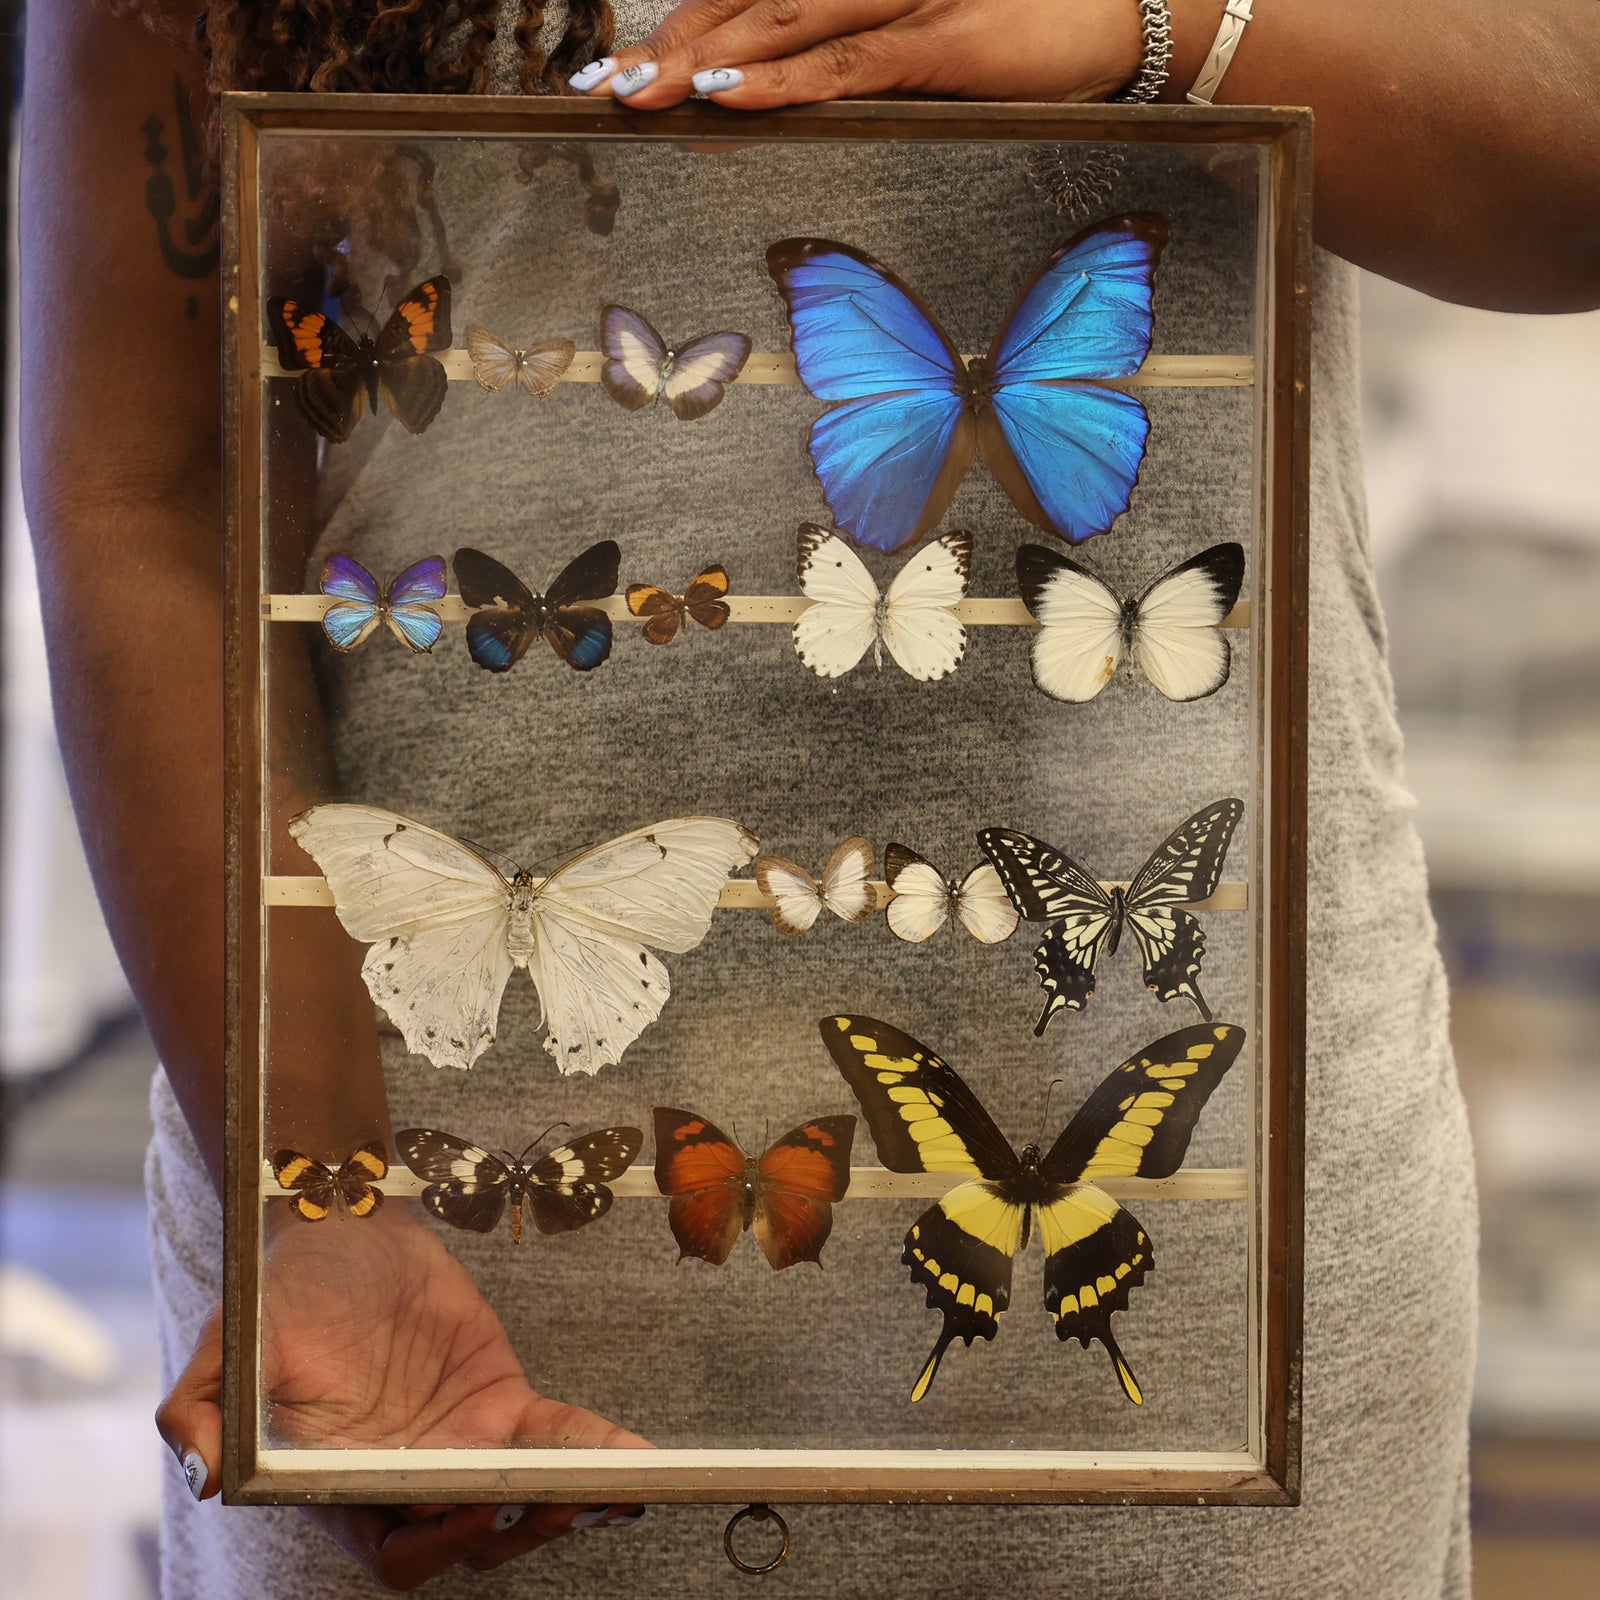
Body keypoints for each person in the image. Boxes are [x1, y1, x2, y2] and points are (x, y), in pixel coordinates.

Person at [19, 1, 1599, 1595]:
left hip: (1203, 1255)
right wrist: (316, 1201)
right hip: (430, 1311)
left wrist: (1152, 21)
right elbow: (150, 482)